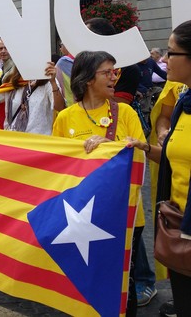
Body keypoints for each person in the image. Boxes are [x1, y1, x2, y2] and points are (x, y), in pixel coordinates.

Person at [52, 51, 147, 316]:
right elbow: (58, 167)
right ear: (88, 78)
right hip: (80, 218)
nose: (114, 77)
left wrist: (114, 148)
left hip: (124, 214)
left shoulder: (125, 112)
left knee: (121, 283)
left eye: (115, 72)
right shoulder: (65, 118)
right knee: (84, 278)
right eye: (107, 72)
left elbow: (140, 156)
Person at [128, 21, 191, 316]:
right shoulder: (183, 101)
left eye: (171, 52)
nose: (163, 59)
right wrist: (143, 147)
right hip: (178, 225)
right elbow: (170, 159)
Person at [0, 62, 64, 134]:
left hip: (38, 145)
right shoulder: (11, 83)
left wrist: (53, 82)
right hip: (14, 143)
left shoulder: (48, 82)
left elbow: (60, 107)